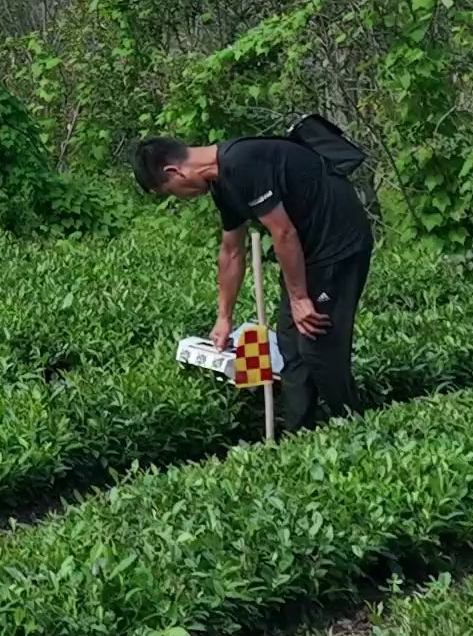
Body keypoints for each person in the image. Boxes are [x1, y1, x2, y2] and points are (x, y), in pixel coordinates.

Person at [133, 130, 373, 431]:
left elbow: (283, 233)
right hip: (308, 254)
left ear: (174, 171)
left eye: (171, 191)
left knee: (318, 348)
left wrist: (299, 298)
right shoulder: (222, 182)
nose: (180, 198)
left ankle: (359, 428)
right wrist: (224, 318)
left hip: (338, 247)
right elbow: (232, 252)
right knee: (291, 350)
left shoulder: (242, 162)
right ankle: (298, 438)